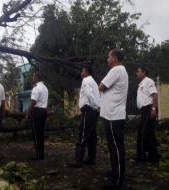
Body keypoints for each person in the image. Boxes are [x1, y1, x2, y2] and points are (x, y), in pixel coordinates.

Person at [98, 49, 129, 189]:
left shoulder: (116, 70)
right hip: (113, 114)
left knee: (116, 147)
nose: (107, 59)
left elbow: (101, 86)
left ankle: (118, 180)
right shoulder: (121, 70)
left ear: (114, 58)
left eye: (108, 56)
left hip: (113, 115)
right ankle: (115, 171)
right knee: (114, 146)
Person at [68, 65, 100, 168]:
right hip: (94, 111)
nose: (81, 73)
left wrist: (95, 106)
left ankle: (78, 160)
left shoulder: (86, 80)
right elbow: (96, 95)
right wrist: (98, 107)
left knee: (83, 133)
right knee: (92, 135)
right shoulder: (93, 82)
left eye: (82, 71)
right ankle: (91, 159)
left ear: (86, 72)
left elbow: (90, 95)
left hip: (89, 110)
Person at [135, 66, 160, 163]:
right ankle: (154, 157)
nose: (137, 73)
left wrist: (153, 109)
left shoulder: (149, 81)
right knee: (149, 133)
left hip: (149, 109)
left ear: (144, 72)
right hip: (144, 111)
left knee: (143, 132)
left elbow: (154, 94)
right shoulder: (141, 83)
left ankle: (142, 156)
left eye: (138, 71)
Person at [25, 72, 48, 160]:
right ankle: (41, 153)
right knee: (41, 133)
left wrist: (27, 113)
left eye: (33, 77)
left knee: (36, 134)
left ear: (36, 78)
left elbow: (33, 102)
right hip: (44, 111)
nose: (32, 79)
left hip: (37, 112)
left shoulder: (36, 88)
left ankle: (39, 155)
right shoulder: (45, 88)